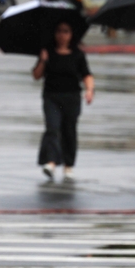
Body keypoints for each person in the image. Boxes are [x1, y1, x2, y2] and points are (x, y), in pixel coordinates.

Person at [32, 20, 95, 182]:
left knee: (69, 131)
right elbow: (36, 75)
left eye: (66, 31)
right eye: (59, 31)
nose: (62, 34)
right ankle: (51, 163)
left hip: (72, 98)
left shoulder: (78, 54)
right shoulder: (47, 52)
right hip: (51, 97)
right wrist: (43, 60)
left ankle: (68, 165)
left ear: (71, 34)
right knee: (52, 128)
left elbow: (87, 75)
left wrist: (89, 90)